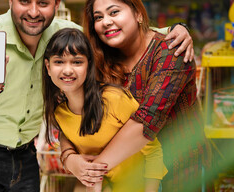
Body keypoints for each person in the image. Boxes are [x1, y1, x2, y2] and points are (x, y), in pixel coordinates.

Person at [0, 0, 193, 191]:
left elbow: (113, 35)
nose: (33, 12)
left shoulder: (64, 34)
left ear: (57, 3)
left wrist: (175, 30)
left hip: (25, 155)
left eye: (43, 3)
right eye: (24, 1)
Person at [60, 0, 210, 192]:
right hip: (127, 176)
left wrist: (94, 172)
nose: (106, 22)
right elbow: (70, 112)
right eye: (98, 17)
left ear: (138, 13)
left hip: (181, 171)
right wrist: (70, 158)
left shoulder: (170, 51)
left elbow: (146, 122)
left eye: (114, 12)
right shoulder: (99, 62)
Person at [43, 28, 167, 192]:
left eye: (77, 62)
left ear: (89, 65)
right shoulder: (59, 112)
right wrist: (70, 159)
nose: (67, 70)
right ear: (48, 66)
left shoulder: (113, 99)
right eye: (59, 62)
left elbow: (153, 151)